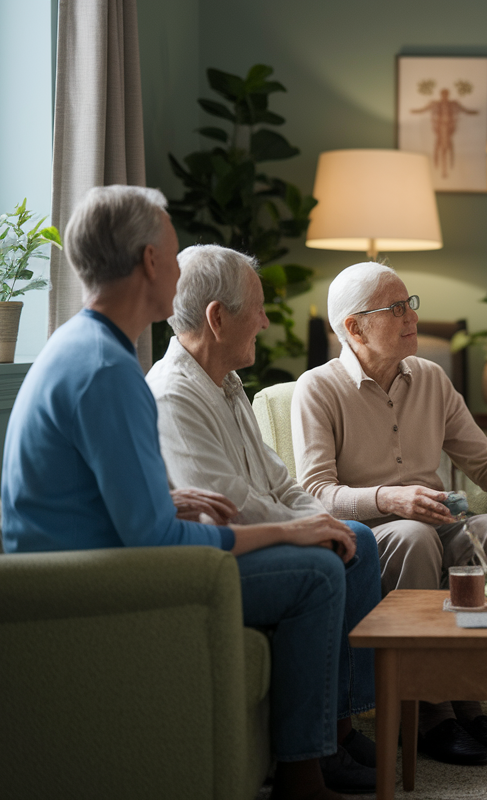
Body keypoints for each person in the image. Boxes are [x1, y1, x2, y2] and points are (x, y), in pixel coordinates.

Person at [1, 186, 381, 800]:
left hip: (86, 561)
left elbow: (113, 499)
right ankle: (303, 776)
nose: (178, 276)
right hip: (89, 584)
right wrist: (288, 528)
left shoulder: (92, 350)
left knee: (329, 549)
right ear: (150, 262)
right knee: (316, 572)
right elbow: (155, 539)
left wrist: (163, 495)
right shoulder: (108, 368)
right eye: (173, 257)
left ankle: (321, 744)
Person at [292, 261, 487, 766]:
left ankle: (469, 698)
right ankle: (427, 710)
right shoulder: (318, 388)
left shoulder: (431, 379)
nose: (410, 315)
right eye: (395, 308)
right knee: (413, 535)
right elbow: (315, 491)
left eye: (409, 303)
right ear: (354, 327)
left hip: (440, 522)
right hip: (373, 535)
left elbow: (483, 462)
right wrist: (387, 500)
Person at [144, 243, 384, 794]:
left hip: (260, 532)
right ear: (217, 317)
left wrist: (316, 521)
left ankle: (340, 730)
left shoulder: (226, 384)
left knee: (358, 539)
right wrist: (304, 530)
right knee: (327, 560)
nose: (266, 320)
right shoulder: (174, 396)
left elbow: (280, 480)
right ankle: (308, 757)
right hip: (216, 554)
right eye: (256, 307)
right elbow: (225, 502)